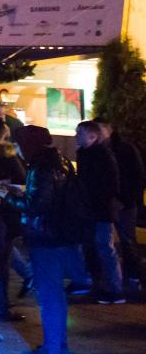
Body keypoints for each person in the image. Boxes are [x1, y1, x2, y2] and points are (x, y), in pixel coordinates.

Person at [9, 126, 87, 354]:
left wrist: (7, 197)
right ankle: (59, 346)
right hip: (63, 235)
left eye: (19, 144)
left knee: (49, 294)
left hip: (46, 237)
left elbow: (37, 205)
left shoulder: (40, 167)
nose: (17, 149)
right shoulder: (61, 162)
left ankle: (51, 353)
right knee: (56, 295)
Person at [73, 120, 125, 304]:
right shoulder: (87, 153)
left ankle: (115, 289)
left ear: (93, 136)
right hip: (93, 208)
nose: (75, 136)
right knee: (96, 246)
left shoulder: (100, 155)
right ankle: (103, 285)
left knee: (104, 246)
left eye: (80, 133)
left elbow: (108, 184)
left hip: (101, 209)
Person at [97, 119, 143, 293]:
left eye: (100, 130)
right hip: (108, 204)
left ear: (109, 130)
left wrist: (126, 199)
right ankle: (117, 277)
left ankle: (134, 276)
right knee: (108, 242)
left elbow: (137, 176)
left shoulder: (125, 149)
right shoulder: (99, 151)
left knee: (127, 240)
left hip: (125, 203)